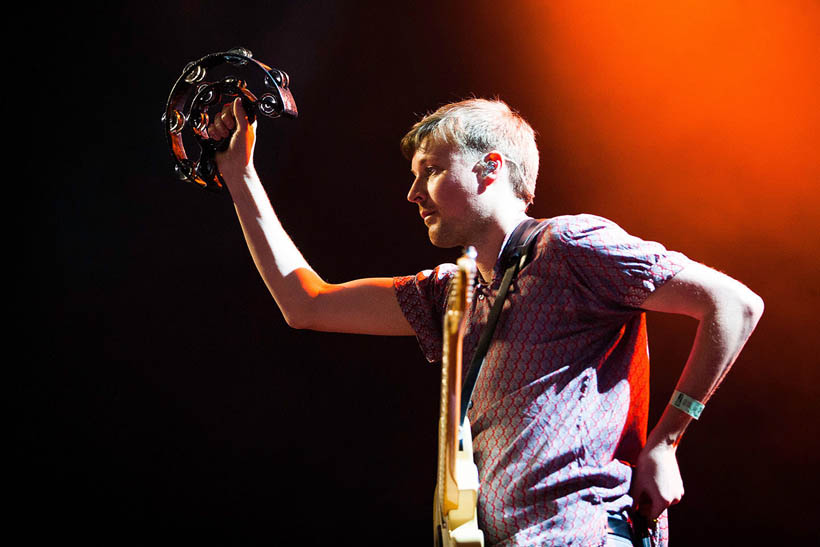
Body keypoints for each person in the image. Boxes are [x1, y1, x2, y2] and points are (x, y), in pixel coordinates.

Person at [206, 97, 763, 546]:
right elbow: (306, 304)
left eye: (429, 171)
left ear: (490, 168)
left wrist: (666, 442)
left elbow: (734, 305)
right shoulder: (454, 292)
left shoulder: (568, 245)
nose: (411, 193)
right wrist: (240, 178)